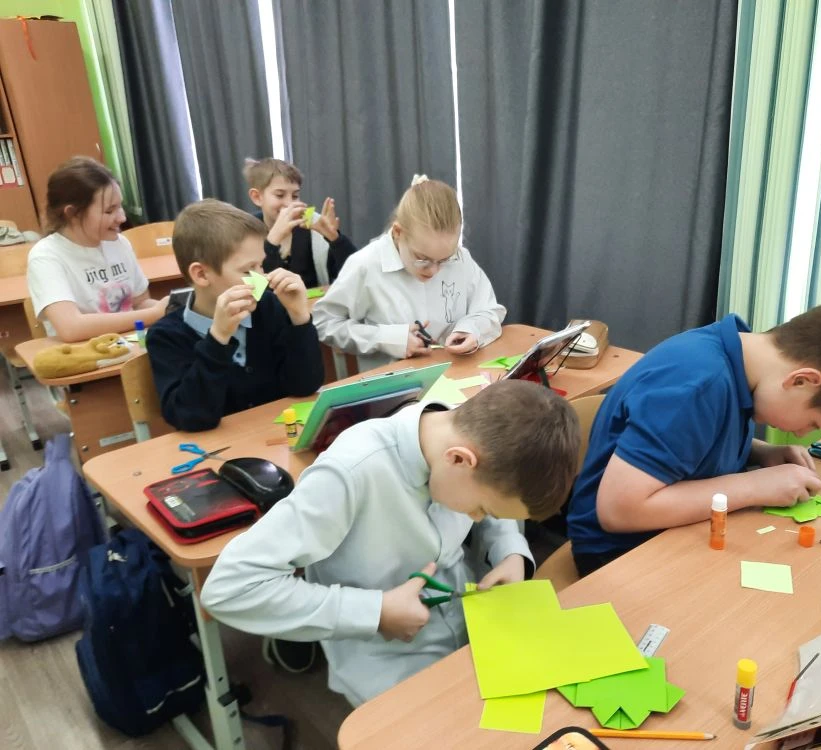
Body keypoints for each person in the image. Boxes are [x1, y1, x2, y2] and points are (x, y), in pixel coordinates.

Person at [200, 379, 581, 706]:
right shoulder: (351, 472)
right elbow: (228, 589)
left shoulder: (464, 433)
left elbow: (500, 497)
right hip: (387, 652)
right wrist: (375, 611)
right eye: (481, 510)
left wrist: (510, 551)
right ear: (459, 460)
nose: (478, 518)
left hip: (472, 622)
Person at [566, 302, 821, 576]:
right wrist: (756, 486)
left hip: (667, 530)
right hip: (620, 553)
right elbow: (618, 510)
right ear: (800, 381)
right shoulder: (698, 384)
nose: (802, 433)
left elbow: (689, 439)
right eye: (813, 422)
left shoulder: (739, 357)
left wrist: (761, 452)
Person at [145, 199, 324, 432]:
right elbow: (192, 417)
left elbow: (305, 385)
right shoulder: (165, 337)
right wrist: (218, 338)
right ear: (201, 275)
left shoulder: (269, 307)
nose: (262, 279)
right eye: (248, 270)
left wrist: (299, 318)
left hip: (278, 438)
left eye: (261, 266)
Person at [312, 175, 505, 371]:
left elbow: (489, 310)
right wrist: (386, 338)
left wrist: (471, 330)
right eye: (422, 259)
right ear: (398, 232)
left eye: (444, 260)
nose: (434, 271)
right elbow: (324, 322)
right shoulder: (366, 265)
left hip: (460, 376)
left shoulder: (461, 258)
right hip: (394, 382)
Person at [27, 157, 166, 341]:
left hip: (131, 347)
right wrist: (154, 314)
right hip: (88, 354)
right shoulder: (46, 256)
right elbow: (71, 328)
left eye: (120, 206)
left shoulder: (120, 244)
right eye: (109, 211)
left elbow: (140, 303)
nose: (122, 218)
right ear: (73, 214)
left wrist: (171, 309)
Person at [244, 157, 358, 289]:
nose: (289, 203)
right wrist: (272, 242)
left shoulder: (312, 222)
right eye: (280, 195)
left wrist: (336, 239)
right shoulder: (245, 230)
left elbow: (355, 274)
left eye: (295, 196)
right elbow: (256, 291)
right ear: (257, 197)